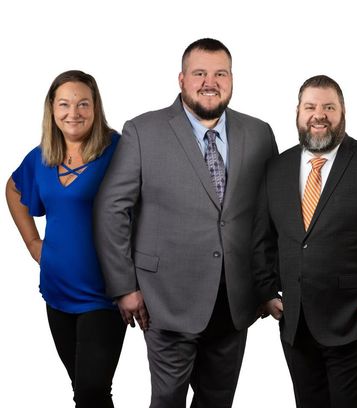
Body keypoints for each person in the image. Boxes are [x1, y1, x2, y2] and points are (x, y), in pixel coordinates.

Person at [93, 38, 278, 408]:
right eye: (200, 73)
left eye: (220, 73)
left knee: (217, 400)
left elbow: (270, 215)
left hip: (235, 299)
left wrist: (266, 284)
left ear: (231, 79)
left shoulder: (259, 133)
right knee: (167, 400)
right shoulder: (143, 131)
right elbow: (111, 208)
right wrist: (124, 286)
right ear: (181, 79)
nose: (210, 82)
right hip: (165, 300)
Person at [252, 74, 357, 408]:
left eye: (329, 107)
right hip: (297, 327)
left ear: (343, 114)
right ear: (298, 113)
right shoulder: (277, 167)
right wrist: (267, 292)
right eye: (311, 106)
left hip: (356, 326)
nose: (319, 114)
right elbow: (262, 239)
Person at [6, 70, 125, 407]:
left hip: (105, 293)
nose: (74, 112)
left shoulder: (118, 150)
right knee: (84, 390)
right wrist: (32, 243)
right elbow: (13, 189)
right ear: (52, 109)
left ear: (95, 107)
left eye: (83, 104)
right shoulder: (43, 155)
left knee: (91, 389)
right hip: (57, 290)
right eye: (65, 104)